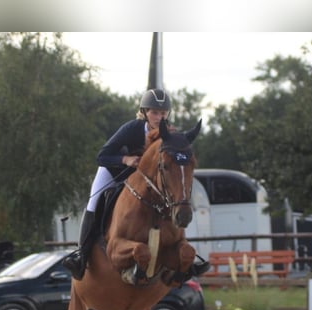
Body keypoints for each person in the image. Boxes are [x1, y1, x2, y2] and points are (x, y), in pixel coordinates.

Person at [62, 88, 209, 281]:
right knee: (94, 202)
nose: (159, 117)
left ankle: (181, 256)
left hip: (144, 180)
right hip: (114, 170)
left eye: (163, 113)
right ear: (145, 112)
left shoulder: (169, 135)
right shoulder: (132, 129)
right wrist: (125, 159)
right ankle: (81, 255)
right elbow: (102, 156)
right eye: (154, 112)